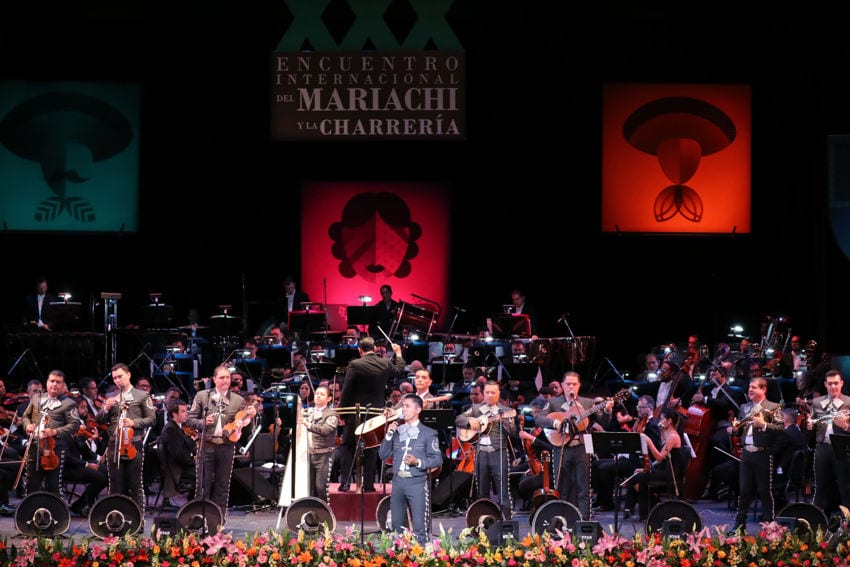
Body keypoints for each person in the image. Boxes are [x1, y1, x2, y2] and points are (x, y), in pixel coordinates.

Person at [534, 370, 613, 518]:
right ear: (563, 385)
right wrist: (555, 422)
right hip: (561, 447)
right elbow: (539, 419)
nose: (571, 387)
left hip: (581, 448)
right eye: (568, 384)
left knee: (583, 487)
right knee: (561, 486)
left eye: (574, 384)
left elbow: (603, 422)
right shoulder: (553, 403)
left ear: (579, 385)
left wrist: (608, 410)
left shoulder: (588, 403)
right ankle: (562, 520)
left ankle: (583, 520)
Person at [336, 336, 404, 492]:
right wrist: (398, 353)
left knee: (348, 446)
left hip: (355, 412)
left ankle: (345, 483)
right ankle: (368, 485)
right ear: (374, 349)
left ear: (360, 350)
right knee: (371, 447)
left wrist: (342, 413)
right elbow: (399, 370)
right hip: (376, 414)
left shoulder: (355, 364)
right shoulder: (385, 363)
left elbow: (346, 391)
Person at [186, 364, 257, 515]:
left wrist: (248, 417)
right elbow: (190, 420)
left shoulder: (238, 400)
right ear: (214, 379)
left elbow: (242, 422)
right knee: (202, 484)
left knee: (222, 485)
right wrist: (202, 422)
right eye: (221, 377)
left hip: (226, 445)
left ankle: (219, 520)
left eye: (227, 377)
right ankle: (200, 517)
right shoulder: (202, 396)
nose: (225, 380)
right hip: (206, 444)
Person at [379, 393, 442, 543]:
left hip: (417, 483)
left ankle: (423, 558)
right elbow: (383, 454)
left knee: (420, 526)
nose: (403, 409)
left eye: (407, 406)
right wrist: (388, 435)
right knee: (396, 525)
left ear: (418, 409)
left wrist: (418, 462)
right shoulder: (397, 431)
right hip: (398, 482)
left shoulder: (428, 433)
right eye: (402, 406)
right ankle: (401, 556)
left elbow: (437, 459)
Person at [96, 363, 157, 516]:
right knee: (115, 485)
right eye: (115, 378)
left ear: (128, 375)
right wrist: (105, 409)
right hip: (114, 444)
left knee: (135, 484)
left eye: (120, 376)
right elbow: (99, 420)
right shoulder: (111, 396)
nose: (117, 380)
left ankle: (138, 520)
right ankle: (115, 519)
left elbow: (152, 419)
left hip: (134, 444)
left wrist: (134, 423)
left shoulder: (142, 395)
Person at [729, 376, 784, 532]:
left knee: (764, 490)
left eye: (754, 387)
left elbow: (781, 428)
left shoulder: (773, 407)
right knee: (744, 491)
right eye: (749, 387)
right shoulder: (744, 407)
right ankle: (739, 526)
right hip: (746, 452)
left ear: (763, 389)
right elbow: (741, 427)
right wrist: (735, 428)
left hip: (763, 454)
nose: (750, 390)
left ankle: (769, 526)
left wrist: (764, 425)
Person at [455, 381, 516, 519]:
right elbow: (459, 419)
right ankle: (483, 522)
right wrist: (470, 422)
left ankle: (506, 521)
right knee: (482, 490)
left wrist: (505, 422)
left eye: (493, 392)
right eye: (487, 392)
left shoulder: (506, 411)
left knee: (502, 490)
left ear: (498, 394)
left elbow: (513, 433)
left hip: (498, 452)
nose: (489, 395)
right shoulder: (476, 409)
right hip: (481, 452)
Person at [593, 395, 661, 511]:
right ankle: (600, 499)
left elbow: (650, 447)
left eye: (641, 407)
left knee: (604, 468)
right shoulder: (640, 423)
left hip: (638, 462)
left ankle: (608, 503)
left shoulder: (652, 426)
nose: (638, 409)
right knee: (596, 464)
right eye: (637, 407)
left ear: (650, 408)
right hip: (629, 459)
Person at [20, 369, 79, 497]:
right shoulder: (36, 398)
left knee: (54, 485)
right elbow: (25, 416)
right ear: (47, 383)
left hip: (55, 448)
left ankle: (57, 514)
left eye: (58, 382)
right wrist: (27, 425)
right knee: (31, 484)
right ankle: (31, 512)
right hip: (35, 446)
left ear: (63, 386)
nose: (54, 384)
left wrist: (55, 431)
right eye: (52, 381)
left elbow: (75, 425)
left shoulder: (69, 403)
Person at [622, 408, 688, 520]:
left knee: (636, 478)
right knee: (639, 477)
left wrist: (648, 441)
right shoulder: (666, 433)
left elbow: (660, 457)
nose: (660, 421)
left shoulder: (673, 436)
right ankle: (644, 513)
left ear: (669, 420)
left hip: (670, 472)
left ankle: (629, 510)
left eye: (662, 418)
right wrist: (646, 469)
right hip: (663, 469)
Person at [808, 370, 850, 518]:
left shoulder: (849, 402)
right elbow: (812, 425)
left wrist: (845, 426)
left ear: (842, 383)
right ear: (825, 384)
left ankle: (848, 526)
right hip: (822, 448)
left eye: (836, 383)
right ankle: (818, 523)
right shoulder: (817, 402)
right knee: (820, 487)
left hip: (842, 448)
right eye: (830, 383)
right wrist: (809, 426)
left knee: (845, 488)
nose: (833, 386)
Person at [65, 397, 108, 517]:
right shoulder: (63, 429)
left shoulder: (75, 426)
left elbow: (83, 449)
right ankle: (81, 505)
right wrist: (87, 464)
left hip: (78, 463)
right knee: (101, 478)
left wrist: (100, 458)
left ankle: (84, 504)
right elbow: (67, 458)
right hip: (68, 467)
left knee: (107, 471)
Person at [298, 385, 338, 501]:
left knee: (320, 487)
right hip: (308, 454)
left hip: (324, 455)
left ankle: (325, 514)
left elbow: (326, 430)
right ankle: (311, 514)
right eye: (317, 394)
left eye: (322, 394)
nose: (318, 396)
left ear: (329, 398)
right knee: (309, 488)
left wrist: (308, 424)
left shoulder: (331, 414)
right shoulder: (308, 412)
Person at [157, 399, 197, 511]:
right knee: (205, 473)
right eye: (183, 411)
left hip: (179, 466)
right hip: (176, 470)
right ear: (175, 414)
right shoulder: (170, 429)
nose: (186, 414)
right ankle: (193, 505)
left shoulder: (175, 427)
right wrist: (193, 461)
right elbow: (178, 455)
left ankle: (193, 504)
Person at [772, 407, 807, 510]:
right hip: (797, 473)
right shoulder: (799, 433)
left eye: (778, 417)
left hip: (785, 474)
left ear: (784, 419)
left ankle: (774, 511)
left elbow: (773, 452)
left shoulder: (786, 434)